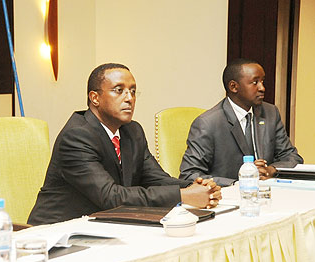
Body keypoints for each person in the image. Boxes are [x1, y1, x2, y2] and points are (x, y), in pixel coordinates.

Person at [28, 63, 221, 225]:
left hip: (104, 225)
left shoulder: (132, 131)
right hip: (58, 232)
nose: (129, 98)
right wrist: (182, 196)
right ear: (95, 98)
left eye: (133, 91)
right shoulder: (77, 136)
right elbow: (112, 196)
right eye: (119, 90)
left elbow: (156, 178)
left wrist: (198, 186)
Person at [179, 58, 303, 187]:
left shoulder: (270, 113)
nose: (262, 88)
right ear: (234, 86)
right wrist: (239, 182)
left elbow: (292, 157)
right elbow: (189, 175)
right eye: (255, 82)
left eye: (262, 81)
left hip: (268, 193)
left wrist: (270, 170)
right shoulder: (208, 123)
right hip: (228, 196)